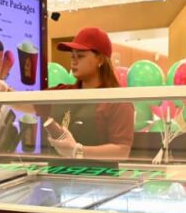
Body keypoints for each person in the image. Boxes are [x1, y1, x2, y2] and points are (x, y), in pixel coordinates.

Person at [44, 27, 135, 160]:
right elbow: (26, 104)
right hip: (57, 172)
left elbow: (122, 151)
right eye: (72, 56)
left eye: (80, 56)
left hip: (97, 173)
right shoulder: (62, 92)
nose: (74, 61)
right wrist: (10, 92)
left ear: (100, 60)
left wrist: (76, 150)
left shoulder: (117, 101)